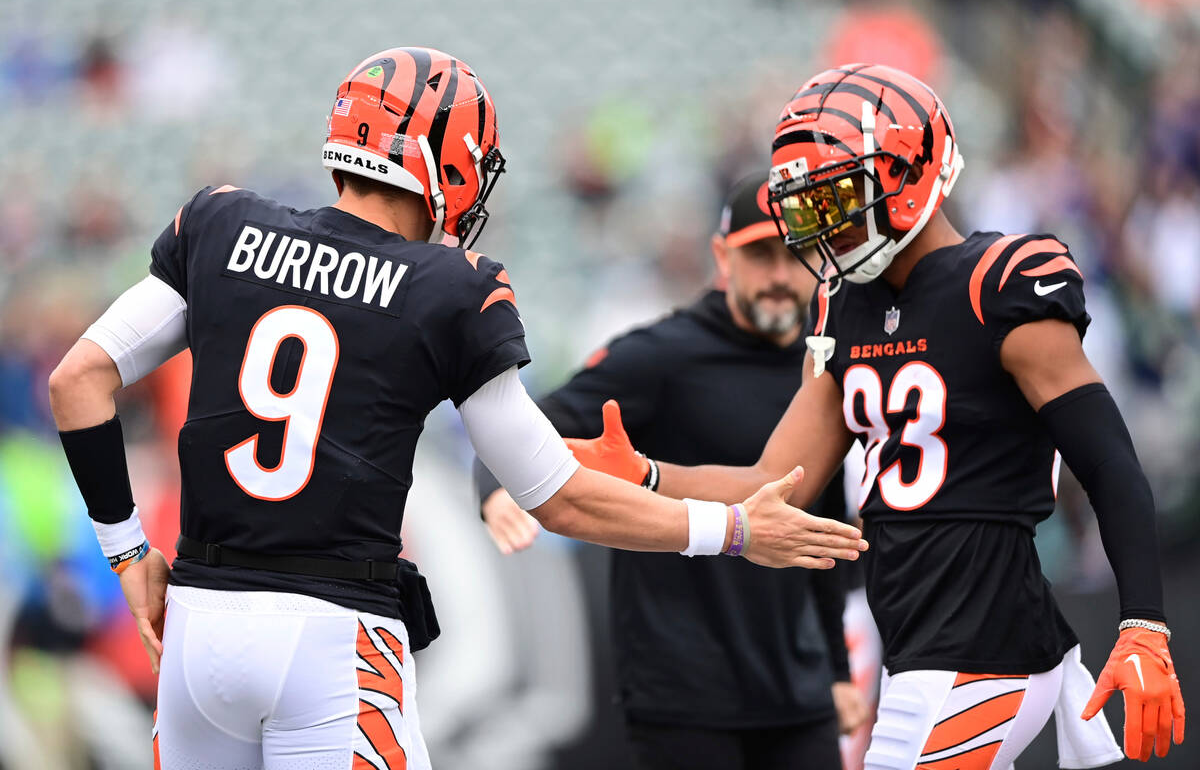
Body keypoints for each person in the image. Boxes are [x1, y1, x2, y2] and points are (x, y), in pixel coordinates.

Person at [45, 48, 868, 770]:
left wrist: (127, 556)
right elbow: (558, 492)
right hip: (332, 637)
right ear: (448, 159)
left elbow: (77, 380)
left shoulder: (222, 224)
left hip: (198, 627)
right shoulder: (450, 287)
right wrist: (732, 529)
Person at [562, 63, 1186, 767]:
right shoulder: (844, 308)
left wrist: (1144, 624)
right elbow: (779, 482)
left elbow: (1106, 460)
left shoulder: (999, 285)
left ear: (910, 171)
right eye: (809, 208)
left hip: (984, 639)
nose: (824, 227)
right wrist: (648, 474)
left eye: (836, 199)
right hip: (921, 642)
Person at [476, 173, 870, 770]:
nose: (780, 277)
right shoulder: (660, 354)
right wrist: (503, 488)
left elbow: (817, 519)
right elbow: (530, 424)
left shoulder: (826, 364)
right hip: (681, 692)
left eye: (796, 255)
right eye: (759, 255)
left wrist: (837, 670)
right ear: (722, 256)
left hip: (799, 691)